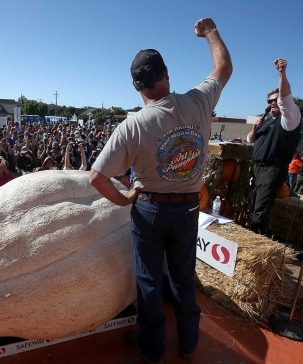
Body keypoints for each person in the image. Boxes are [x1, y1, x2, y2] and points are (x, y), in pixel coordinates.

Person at [89, 18, 232, 363]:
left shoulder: (133, 125)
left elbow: (96, 177)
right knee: (184, 279)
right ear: (166, 73)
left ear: (137, 87)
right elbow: (224, 67)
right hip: (187, 210)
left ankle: (152, 350)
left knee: (149, 282)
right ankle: (188, 345)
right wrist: (210, 33)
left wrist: (124, 198)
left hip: (149, 210)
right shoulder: (199, 101)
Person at [247, 60, 301, 236]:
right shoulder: (267, 119)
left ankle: (256, 240)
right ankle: (259, 234)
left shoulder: (288, 119)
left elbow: (286, 101)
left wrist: (282, 75)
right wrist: (255, 128)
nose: (272, 103)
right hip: (258, 168)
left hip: (272, 169)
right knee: (254, 204)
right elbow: (249, 139)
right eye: (270, 101)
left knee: (261, 208)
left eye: (275, 100)